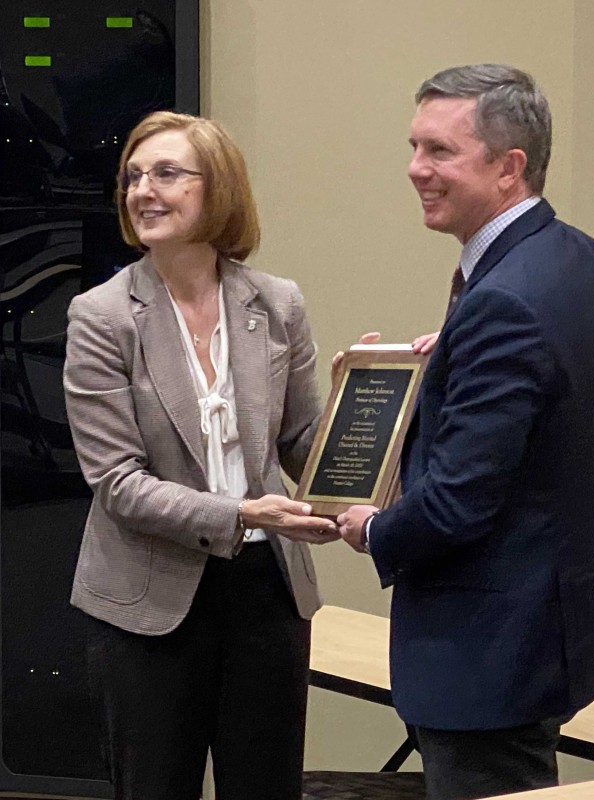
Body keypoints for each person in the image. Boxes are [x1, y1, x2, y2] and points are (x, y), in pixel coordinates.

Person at [337, 64, 594, 800]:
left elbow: (456, 501)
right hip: (566, 630)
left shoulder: (505, 300)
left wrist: (370, 529)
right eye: (413, 147)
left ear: (508, 167)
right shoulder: (584, 260)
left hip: (491, 650)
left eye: (438, 151)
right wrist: (460, 360)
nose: (415, 169)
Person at [63, 111, 338, 800]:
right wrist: (243, 510)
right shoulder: (102, 317)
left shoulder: (276, 303)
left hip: (264, 594)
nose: (142, 191)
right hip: (149, 599)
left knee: (265, 787)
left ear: (216, 188)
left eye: (165, 173)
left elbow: (302, 442)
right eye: (133, 176)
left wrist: (368, 414)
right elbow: (118, 484)